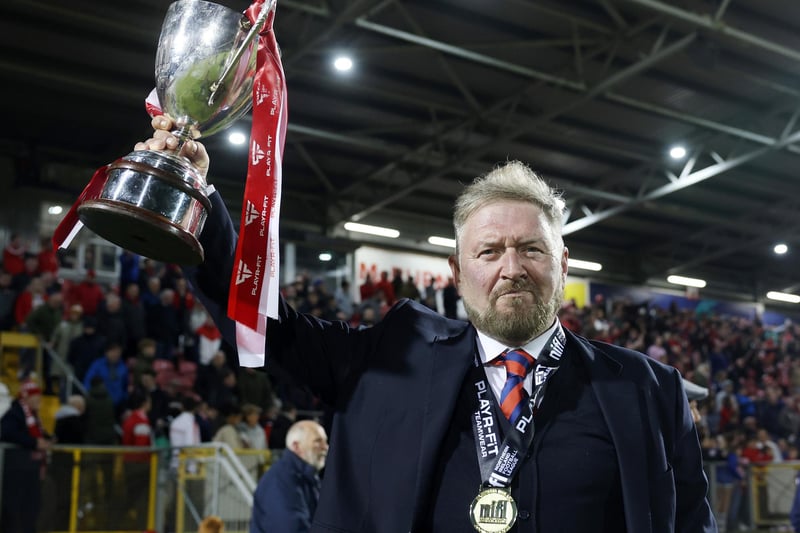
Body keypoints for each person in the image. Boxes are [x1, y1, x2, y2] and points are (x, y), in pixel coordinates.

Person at [139, 118, 716, 532]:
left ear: (562, 264)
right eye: (490, 252)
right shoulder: (392, 354)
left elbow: (691, 521)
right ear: (456, 272)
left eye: (532, 250)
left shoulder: (646, 388)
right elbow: (265, 330)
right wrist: (199, 198)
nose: (511, 269)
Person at [250, 420, 328, 533]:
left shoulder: (307, 478)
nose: (325, 447)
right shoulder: (281, 480)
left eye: (325, 441)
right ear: (296, 446)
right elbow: (292, 528)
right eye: (318, 441)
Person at [0, 379, 53, 533]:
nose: (39, 401)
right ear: (27, 397)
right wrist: (34, 443)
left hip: (30, 472)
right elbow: (7, 432)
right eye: (36, 397)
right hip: (17, 472)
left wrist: (47, 439)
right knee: (17, 512)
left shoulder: (34, 417)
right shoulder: (15, 412)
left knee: (32, 509)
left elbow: (35, 435)